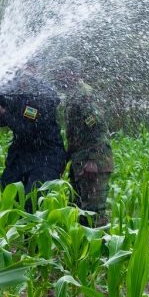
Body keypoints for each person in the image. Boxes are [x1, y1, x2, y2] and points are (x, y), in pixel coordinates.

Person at [0, 62, 66, 211]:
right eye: (24, 67)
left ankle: (32, 233)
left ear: (38, 69)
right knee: (3, 196)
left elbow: (26, 129)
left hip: (46, 156)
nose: (26, 71)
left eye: (31, 66)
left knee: (32, 202)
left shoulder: (43, 94)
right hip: (21, 154)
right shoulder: (12, 88)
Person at [51, 57, 115, 227]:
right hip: (80, 162)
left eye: (59, 74)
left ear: (70, 74)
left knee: (94, 212)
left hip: (93, 162)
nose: (56, 78)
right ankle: (85, 250)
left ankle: (104, 251)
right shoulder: (74, 95)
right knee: (79, 209)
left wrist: (92, 160)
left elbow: (98, 128)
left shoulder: (85, 95)